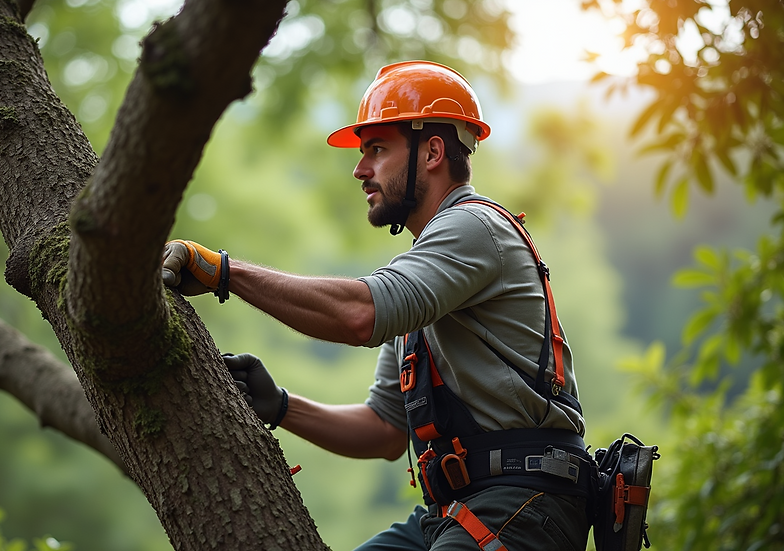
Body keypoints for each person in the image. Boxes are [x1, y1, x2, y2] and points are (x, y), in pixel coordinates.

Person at [162, 61, 593, 551]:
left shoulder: (475, 229)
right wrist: (280, 405)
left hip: (525, 504)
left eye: (378, 149)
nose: (360, 169)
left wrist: (224, 271)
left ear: (433, 152)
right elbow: (386, 430)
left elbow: (358, 314)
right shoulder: (426, 271)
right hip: (455, 509)